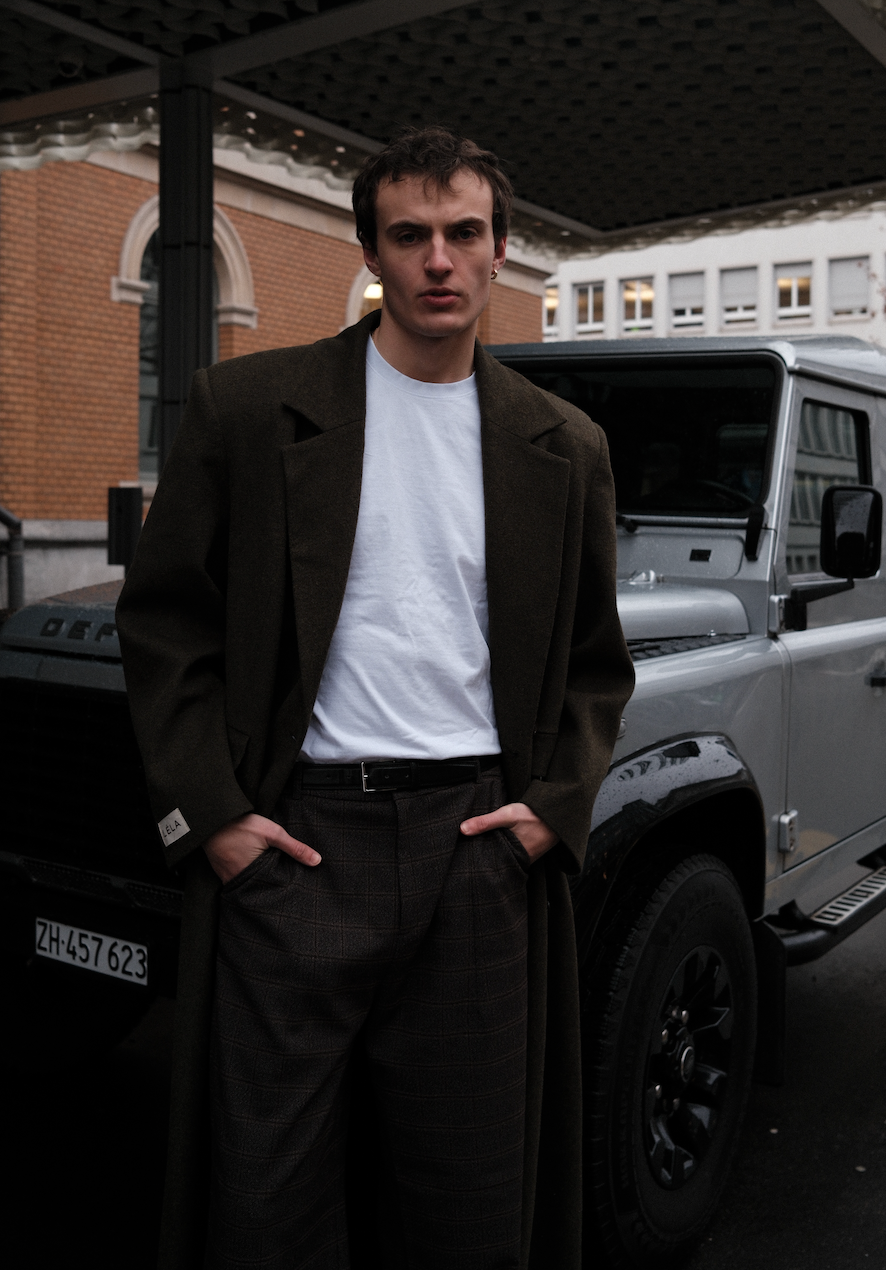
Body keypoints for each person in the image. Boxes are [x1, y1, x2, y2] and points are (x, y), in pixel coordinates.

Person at [117, 125, 634, 1270]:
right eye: (409, 236)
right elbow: (162, 624)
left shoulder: (566, 445)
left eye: (462, 234)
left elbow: (597, 660)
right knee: (265, 1200)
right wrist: (210, 818)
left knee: (467, 1199)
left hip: (477, 853)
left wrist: (555, 807)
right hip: (298, 846)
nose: (437, 260)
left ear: (501, 250)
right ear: (373, 254)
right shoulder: (250, 409)